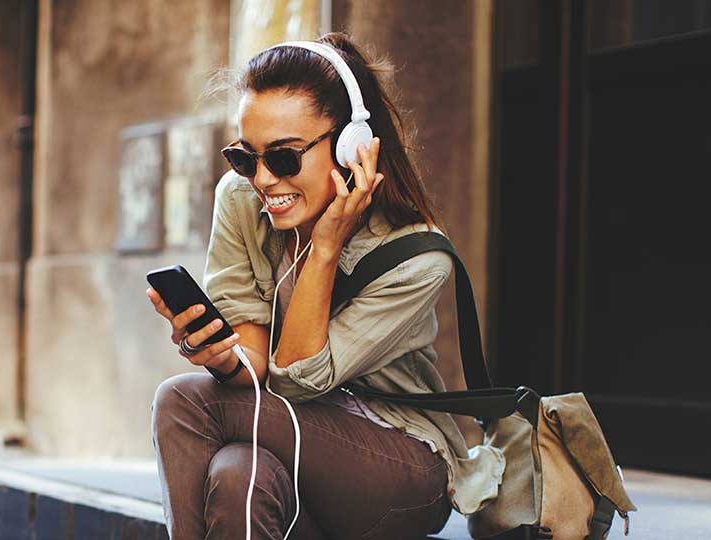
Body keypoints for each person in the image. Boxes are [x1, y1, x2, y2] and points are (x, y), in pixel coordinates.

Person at [147, 32, 505, 539]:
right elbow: (253, 366)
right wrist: (220, 354)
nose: (264, 180)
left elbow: (294, 377)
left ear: (351, 146)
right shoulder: (241, 200)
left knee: (184, 401)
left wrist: (326, 246)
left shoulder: (416, 259)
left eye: (285, 157)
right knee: (237, 476)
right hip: (288, 437)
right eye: (247, 158)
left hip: (401, 464)